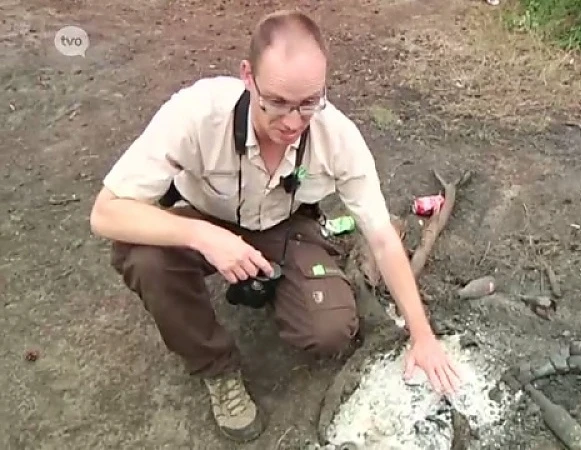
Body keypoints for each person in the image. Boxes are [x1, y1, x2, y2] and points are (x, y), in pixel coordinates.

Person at [89, 9, 462, 443]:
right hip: (204, 216)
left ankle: (272, 282)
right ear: (248, 76)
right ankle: (216, 368)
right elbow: (106, 212)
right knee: (143, 255)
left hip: (285, 226)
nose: (291, 121)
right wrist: (204, 236)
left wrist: (422, 334)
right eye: (277, 102)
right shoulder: (196, 114)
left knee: (330, 331)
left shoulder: (337, 137)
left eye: (308, 103)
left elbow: (381, 236)